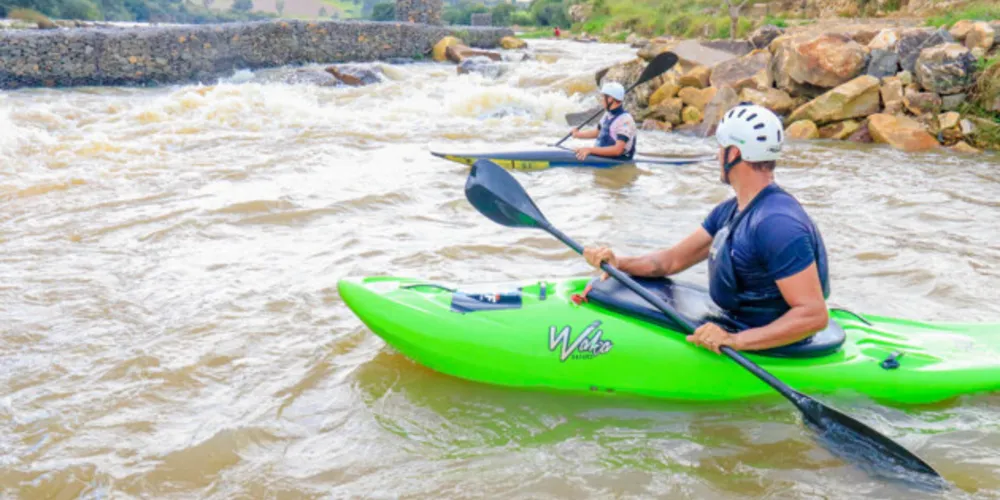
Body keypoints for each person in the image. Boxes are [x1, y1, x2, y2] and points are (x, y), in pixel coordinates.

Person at [582, 103, 830, 355]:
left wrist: (735, 341)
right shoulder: (732, 210)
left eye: (720, 147)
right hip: (739, 322)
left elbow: (813, 315)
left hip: (769, 345)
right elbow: (671, 261)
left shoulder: (778, 224)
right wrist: (620, 263)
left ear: (734, 153)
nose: (716, 156)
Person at [570, 82, 637, 161]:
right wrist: (578, 134)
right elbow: (597, 132)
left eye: (603, 97)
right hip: (601, 157)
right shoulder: (607, 114)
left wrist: (589, 150)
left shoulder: (625, 120)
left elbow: (617, 150)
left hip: (616, 162)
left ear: (610, 99)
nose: (601, 100)